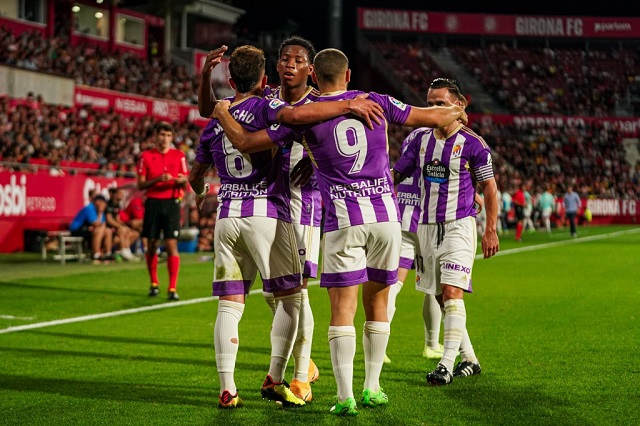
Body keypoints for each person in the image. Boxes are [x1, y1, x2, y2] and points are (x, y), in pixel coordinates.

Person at [214, 48, 467, 416]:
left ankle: (345, 395)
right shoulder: (376, 101)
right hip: (385, 218)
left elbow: (248, 142)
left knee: (342, 311)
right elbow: (429, 115)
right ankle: (373, 388)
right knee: (378, 305)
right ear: (348, 75)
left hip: (343, 221)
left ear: (314, 76)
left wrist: (222, 111)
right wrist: (457, 112)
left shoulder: (306, 117)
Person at [189, 45, 385, 410]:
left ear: (311, 69)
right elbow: (221, 116)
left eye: (298, 60)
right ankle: (291, 368)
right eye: (284, 59)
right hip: (271, 206)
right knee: (281, 296)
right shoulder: (268, 101)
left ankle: (298, 376)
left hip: (301, 205)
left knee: (296, 293)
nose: (290, 65)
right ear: (272, 70)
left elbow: (339, 141)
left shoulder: (318, 102)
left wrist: (316, 156)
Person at [393, 77, 500, 386]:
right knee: (442, 298)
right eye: (430, 103)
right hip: (425, 227)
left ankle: (445, 364)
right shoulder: (419, 140)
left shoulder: (473, 143)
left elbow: (489, 187)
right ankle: (470, 359)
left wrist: (490, 230)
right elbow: (396, 174)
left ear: (458, 105)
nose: (433, 109)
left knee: (452, 292)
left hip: (458, 226)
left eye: (440, 103)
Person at [137, 121, 188, 300]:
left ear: (171, 137)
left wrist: (178, 180)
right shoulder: (146, 156)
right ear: (156, 136)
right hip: (153, 203)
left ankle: (172, 288)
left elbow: (185, 179)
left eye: (168, 135)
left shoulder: (179, 155)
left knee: (171, 244)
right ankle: (154, 283)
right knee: (151, 244)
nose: (165, 138)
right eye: (162, 135)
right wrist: (158, 179)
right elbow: (140, 184)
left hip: (172, 203)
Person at [69, 193, 113, 263]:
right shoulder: (90, 208)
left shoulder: (100, 210)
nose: (104, 204)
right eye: (103, 202)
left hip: (89, 230)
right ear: (97, 202)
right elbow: (95, 224)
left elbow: (103, 224)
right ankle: (96, 254)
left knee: (108, 231)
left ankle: (108, 253)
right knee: (99, 230)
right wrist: (100, 213)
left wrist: (100, 213)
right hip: (77, 230)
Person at [105, 187, 140, 262]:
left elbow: (117, 219)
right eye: (120, 194)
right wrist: (120, 226)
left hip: (115, 228)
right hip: (108, 228)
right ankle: (124, 250)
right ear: (115, 195)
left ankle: (125, 250)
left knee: (134, 233)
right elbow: (109, 220)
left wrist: (124, 225)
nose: (122, 195)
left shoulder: (117, 205)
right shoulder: (109, 204)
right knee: (123, 230)